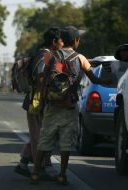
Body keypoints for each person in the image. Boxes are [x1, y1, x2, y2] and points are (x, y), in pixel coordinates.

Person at [30, 25, 112, 185]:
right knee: (66, 142)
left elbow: (42, 76)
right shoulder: (80, 58)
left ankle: (35, 173)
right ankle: (61, 175)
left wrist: (44, 97)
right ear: (75, 41)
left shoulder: (51, 55)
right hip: (69, 105)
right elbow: (94, 79)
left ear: (62, 40)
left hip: (52, 105)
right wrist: (107, 81)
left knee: (45, 139)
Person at [14, 27, 64, 178]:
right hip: (37, 101)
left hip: (36, 100)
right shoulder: (45, 56)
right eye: (61, 40)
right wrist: (44, 98)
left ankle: (23, 164)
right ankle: (40, 169)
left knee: (38, 135)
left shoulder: (43, 54)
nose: (63, 43)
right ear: (54, 41)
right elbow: (41, 78)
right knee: (40, 137)